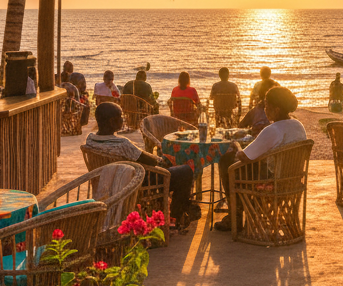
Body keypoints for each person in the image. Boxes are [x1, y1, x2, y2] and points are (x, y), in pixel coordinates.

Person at [86, 102, 198, 232]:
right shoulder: (122, 143)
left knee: (175, 170)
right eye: (120, 117)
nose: (123, 119)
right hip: (134, 181)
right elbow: (151, 161)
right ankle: (175, 217)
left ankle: (173, 210)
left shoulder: (91, 140)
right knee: (185, 172)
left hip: (106, 181)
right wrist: (164, 159)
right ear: (112, 122)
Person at [216, 86, 307, 231]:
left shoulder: (273, 129)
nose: (264, 109)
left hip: (273, 181)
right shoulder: (298, 125)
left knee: (227, 162)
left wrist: (237, 146)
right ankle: (243, 211)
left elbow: (244, 156)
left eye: (266, 106)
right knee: (245, 167)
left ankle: (235, 216)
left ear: (276, 109)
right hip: (292, 180)